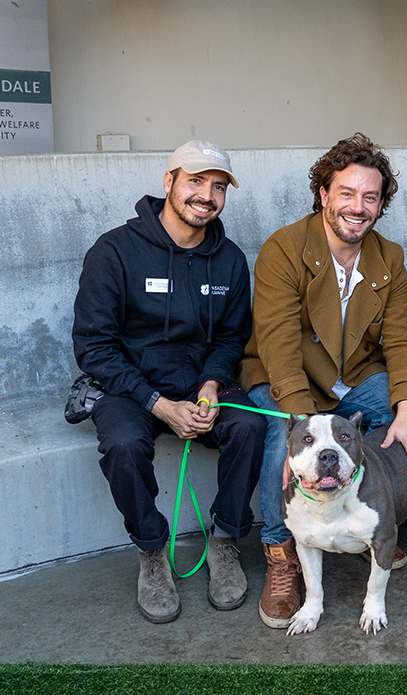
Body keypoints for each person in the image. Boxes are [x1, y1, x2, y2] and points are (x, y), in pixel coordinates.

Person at [237, 133, 407, 629]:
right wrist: (302, 423)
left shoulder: (389, 258)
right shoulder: (284, 248)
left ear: (382, 204)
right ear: (323, 193)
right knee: (283, 441)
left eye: (371, 197)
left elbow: (405, 340)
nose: (358, 206)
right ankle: (281, 556)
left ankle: (374, 526)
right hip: (290, 381)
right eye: (346, 193)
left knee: (397, 411)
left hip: (353, 382)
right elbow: (279, 344)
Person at [72, 140, 265, 624]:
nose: (207, 195)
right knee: (120, 443)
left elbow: (230, 339)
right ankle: (152, 552)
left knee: (250, 427)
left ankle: (225, 541)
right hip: (131, 388)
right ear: (169, 183)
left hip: (201, 384)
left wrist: (210, 387)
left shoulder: (230, 260)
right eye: (195, 182)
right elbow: (94, 347)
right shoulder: (114, 251)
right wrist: (157, 403)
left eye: (218, 186)